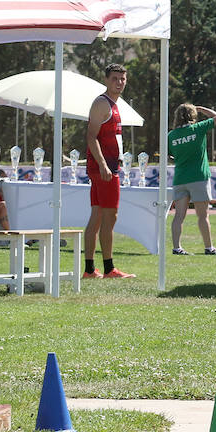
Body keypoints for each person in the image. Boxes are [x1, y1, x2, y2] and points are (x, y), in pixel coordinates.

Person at [82, 64, 133, 278]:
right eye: (115, 78)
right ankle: (109, 267)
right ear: (106, 80)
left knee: (97, 216)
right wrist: (103, 164)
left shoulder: (114, 104)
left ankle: (90, 269)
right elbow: (91, 136)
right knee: (110, 215)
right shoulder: (102, 103)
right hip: (104, 168)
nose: (119, 82)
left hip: (109, 166)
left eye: (122, 78)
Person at [168, 102, 216, 256]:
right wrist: (202, 109)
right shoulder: (198, 128)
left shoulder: (170, 135)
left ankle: (177, 248)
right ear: (192, 115)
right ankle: (209, 248)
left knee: (178, 216)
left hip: (180, 178)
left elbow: (169, 156)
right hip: (198, 176)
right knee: (203, 216)